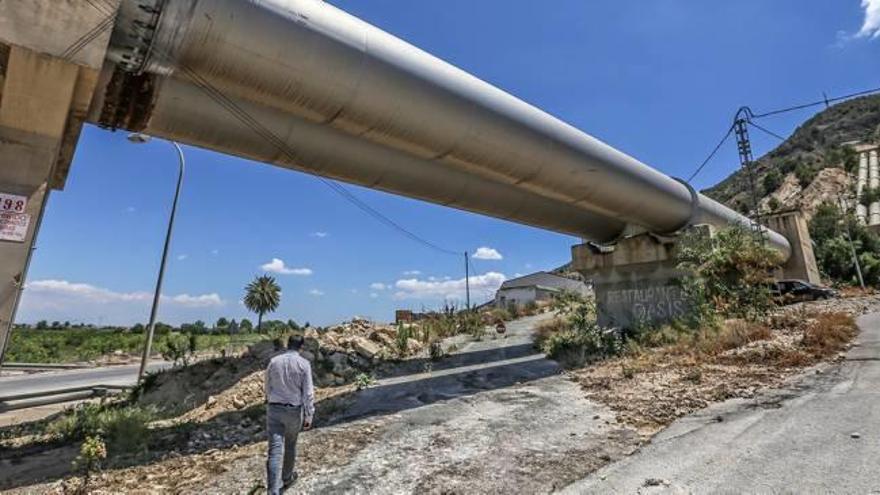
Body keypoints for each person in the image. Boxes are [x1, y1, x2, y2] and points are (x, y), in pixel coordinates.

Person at [265, 335, 315, 494]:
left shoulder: (273, 362)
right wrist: (309, 416)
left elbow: (267, 385)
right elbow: (308, 393)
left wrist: (269, 399)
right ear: (301, 347)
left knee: (274, 450)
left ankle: (272, 491)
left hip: (274, 409)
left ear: (287, 345)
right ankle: (287, 478)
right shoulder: (304, 364)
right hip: (294, 411)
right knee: (290, 445)